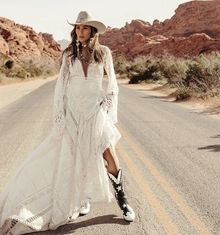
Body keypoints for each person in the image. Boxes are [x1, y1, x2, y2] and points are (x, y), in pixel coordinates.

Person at [0, 10, 135, 235]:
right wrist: (60, 116)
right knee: (74, 156)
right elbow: (61, 87)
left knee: (108, 153)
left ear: (92, 31)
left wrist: (108, 108)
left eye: (84, 28)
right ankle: (82, 199)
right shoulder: (68, 54)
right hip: (73, 112)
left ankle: (123, 202)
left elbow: (112, 85)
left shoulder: (104, 53)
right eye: (77, 28)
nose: (80, 31)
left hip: (94, 112)